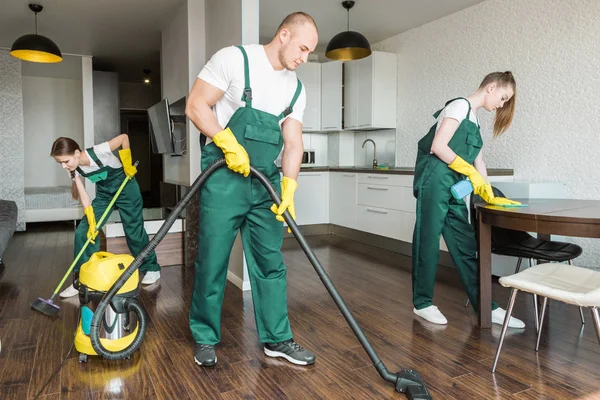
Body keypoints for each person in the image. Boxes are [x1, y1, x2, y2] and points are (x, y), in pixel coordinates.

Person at [185, 12, 318, 367]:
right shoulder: (234, 59)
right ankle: (204, 337)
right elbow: (196, 104)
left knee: (270, 263)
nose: (303, 58)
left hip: (265, 184)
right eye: (303, 49)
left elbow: (292, 143)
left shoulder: (296, 88)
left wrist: (289, 188)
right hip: (224, 178)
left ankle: (277, 339)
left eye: (309, 53)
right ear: (284, 34)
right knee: (212, 259)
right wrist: (226, 141)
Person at [411, 71, 525, 328]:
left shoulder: (474, 119)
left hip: (453, 186)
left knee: (465, 244)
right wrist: (470, 172)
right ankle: (422, 302)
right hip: (435, 179)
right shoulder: (459, 106)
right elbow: (438, 146)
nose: (502, 104)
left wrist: (486, 190)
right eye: (503, 97)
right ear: (491, 87)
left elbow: (479, 161)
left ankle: (486, 305)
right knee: (427, 241)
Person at [50, 134, 161, 298]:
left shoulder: (98, 151)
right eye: (60, 163)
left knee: (133, 232)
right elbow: (84, 196)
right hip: (104, 195)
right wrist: (91, 218)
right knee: (84, 231)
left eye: (65, 161)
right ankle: (81, 279)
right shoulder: (73, 170)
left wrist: (127, 163)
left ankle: (151, 268)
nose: (63, 166)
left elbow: (124, 138)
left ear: (76, 153)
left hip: (126, 188)